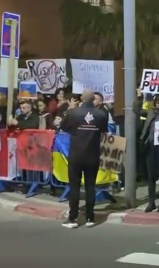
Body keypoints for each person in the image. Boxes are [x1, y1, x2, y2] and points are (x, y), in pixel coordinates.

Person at [59, 90, 109, 229]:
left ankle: (72, 218)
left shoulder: (73, 113)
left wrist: (77, 131)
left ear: (81, 98)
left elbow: (63, 126)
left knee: (74, 186)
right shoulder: (101, 114)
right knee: (90, 186)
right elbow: (103, 131)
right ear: (93, 99)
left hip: (76, 154)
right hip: (93, 154)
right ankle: (90, 217)